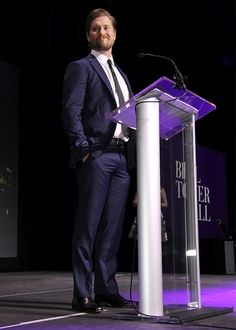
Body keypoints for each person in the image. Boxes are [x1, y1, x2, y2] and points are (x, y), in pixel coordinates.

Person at [62, 8, 136, 314]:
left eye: (106, 27)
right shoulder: (81, 68)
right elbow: (71, 111)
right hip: (97, 155)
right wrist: (84, 150)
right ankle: (82, 292)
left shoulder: (122, 74)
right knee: (88, 227)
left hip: (122, 158)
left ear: (115, 33)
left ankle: (106, 289)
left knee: (111, 230)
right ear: (88, 35)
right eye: (95, 28)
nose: (101, 32)